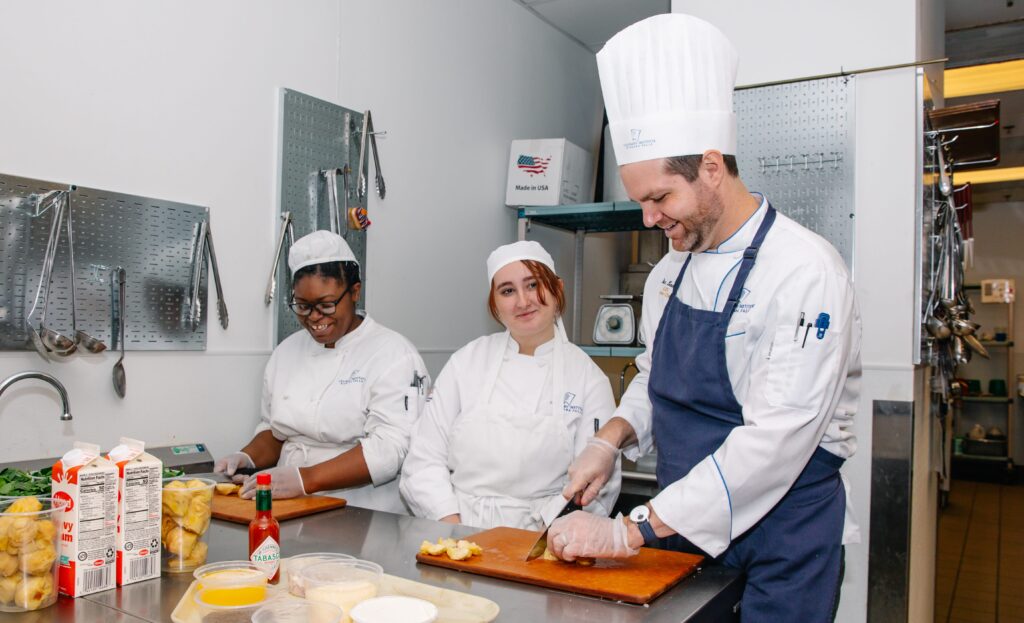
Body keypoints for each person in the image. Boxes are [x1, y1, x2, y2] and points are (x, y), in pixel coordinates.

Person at [549, 14, 862, 622]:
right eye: (639, 200)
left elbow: (776, 442)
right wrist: (609, 439)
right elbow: (653, 377)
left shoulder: (805, 272)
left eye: (660, 198)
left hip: (785, 535)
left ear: (712, 168)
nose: (647, 219)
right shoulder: (671, 271)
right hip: (688, 522)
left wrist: (630, 531)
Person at [400, 241, 620, 530]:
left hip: (543, 541)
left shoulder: (587, 378)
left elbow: (597, 485)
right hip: (457, 531)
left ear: (558, 289)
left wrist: (542, 540)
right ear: (494, 303)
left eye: (533, 285)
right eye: (507, 291)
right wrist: (453, 530)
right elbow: (423, 460)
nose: (523, 301)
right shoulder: (466, 362)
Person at [214, 230, 429, 513]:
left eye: (326, 305)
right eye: (303, 306)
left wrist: (306, 478)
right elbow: (275, 430)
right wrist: (247, 456)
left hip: (362, 509)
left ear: (354, 292)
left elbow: (389, 450)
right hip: (288, 504)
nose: (314, 318)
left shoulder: (393, 354)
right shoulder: (287, 351)